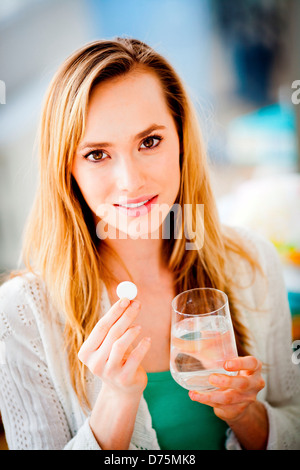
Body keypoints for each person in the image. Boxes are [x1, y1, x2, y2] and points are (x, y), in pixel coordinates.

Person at [0, 37, 299, 451]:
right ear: (67, 169)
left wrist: (246, 412)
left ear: (180, 140)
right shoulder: (22, 311)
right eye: (97, 154)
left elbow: (293, 416)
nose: (132, 181)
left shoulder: (250, 263)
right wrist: (118, 400)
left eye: (149, 142)